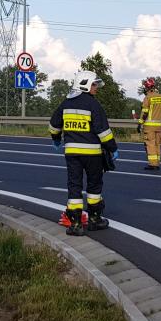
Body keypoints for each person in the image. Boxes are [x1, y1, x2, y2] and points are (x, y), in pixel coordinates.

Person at [49, 70, 118, 236]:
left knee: (74, 186)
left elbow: (53, 125)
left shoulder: (66, 103)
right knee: (94, 186)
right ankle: (95, 219)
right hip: (92, 154)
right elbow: (103, 131)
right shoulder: (93, 104)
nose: (96, 88)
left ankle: (76, 224)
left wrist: (56, 139)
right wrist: (112, 148)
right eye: (94, 84)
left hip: (72, 154)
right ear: (85, 84)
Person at [138, 78, 161, 170]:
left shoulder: (148, 97)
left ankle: (152, 164)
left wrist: (140, 123)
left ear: (147, 87)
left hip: (149, 126)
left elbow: (145, 112)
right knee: (157, 144)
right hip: (159, 125)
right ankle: (157, 163)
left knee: (150, 144)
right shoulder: (160, 96)